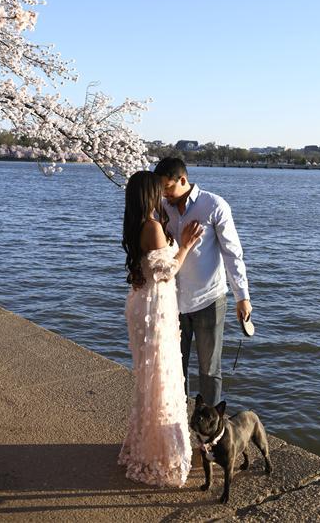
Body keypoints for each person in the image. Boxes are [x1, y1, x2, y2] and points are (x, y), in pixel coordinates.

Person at [118, 170, 203, 487]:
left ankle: (149, 444)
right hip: (155, 307)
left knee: (152, 377)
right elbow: (166, 271)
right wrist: (185, 245)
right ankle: (160, 454)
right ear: (149, 195)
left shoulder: (140, 223)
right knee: (161, 376)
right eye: (159, 190)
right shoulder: (152, 227)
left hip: (146, 303)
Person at [154, 157, 252, 407]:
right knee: (175, 368)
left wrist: (242, 297)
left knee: (209, 370)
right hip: (173, 301)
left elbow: (232, 252)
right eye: (161, 189)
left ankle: (209, 436)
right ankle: (178, 425)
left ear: (183, 180)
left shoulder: (214, 205)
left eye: (167, 187)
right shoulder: (162, 207)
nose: (164, 193)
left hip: (209, 300)